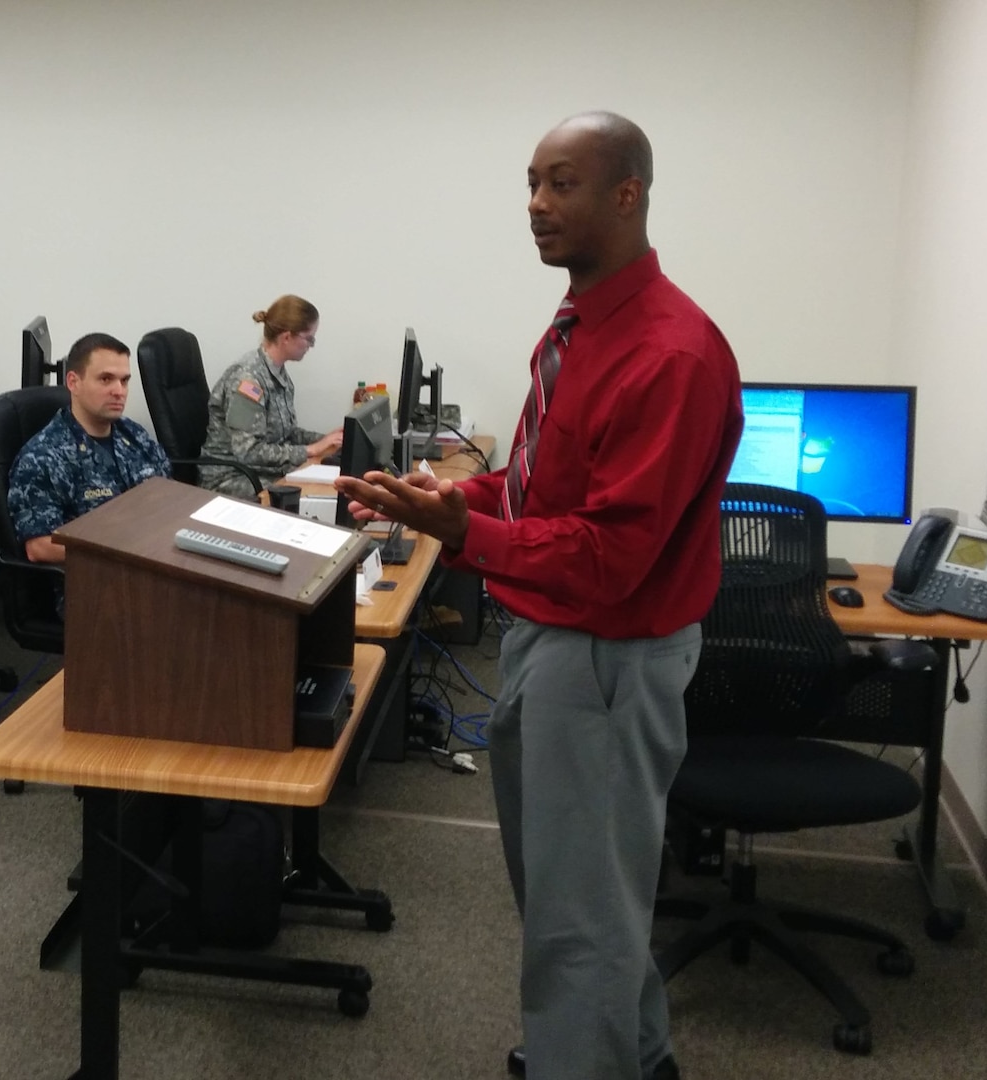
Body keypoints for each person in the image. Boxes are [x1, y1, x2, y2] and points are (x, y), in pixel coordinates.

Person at [336, 112, 742, 1080]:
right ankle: (630, 1055)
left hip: (605, 653)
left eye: (560, 184)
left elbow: (609, 555)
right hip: (552, 634)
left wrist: (463, 534)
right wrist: (449, 498)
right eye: (529, 182)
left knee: (578, 911)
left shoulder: (667, 354)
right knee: (579, 894)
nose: (534, 205)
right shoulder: (579, 325)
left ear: (626, 194)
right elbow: (541, 488)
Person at [8, 333, 173, 565]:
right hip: (95, 583)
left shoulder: (134, 434)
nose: (119, 391)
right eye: (106, 379)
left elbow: (170, 496)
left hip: (155, 562)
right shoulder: (44, 456)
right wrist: (128, 549)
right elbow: (39, 547)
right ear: (73, 382)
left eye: (124, 381)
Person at [199, 295, 343, 497]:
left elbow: (286, 434)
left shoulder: (277, 372)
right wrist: (310, 450)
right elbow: (248, 451)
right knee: (309, 497)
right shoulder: (248, 380)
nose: (310, 345)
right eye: (309, 338)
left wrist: (327, 440)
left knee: (330, 488)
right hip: (230, 478)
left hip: (260, 471)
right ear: (286, 337)